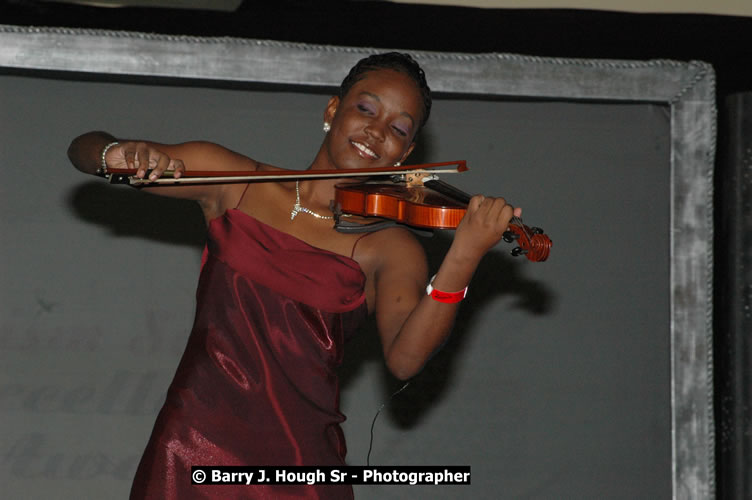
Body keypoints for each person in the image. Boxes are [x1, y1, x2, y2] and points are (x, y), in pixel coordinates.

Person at [67, 52, 519, 500]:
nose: (377, 131)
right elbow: (84, 150)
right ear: (331, 110)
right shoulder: (236, 181)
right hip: (191, 451)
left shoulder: (391, 248)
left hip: (301, 471)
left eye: (399, 129)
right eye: (366, 109)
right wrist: (117, 152)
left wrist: (464, 255)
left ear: (406, 153)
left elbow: (405, 360)